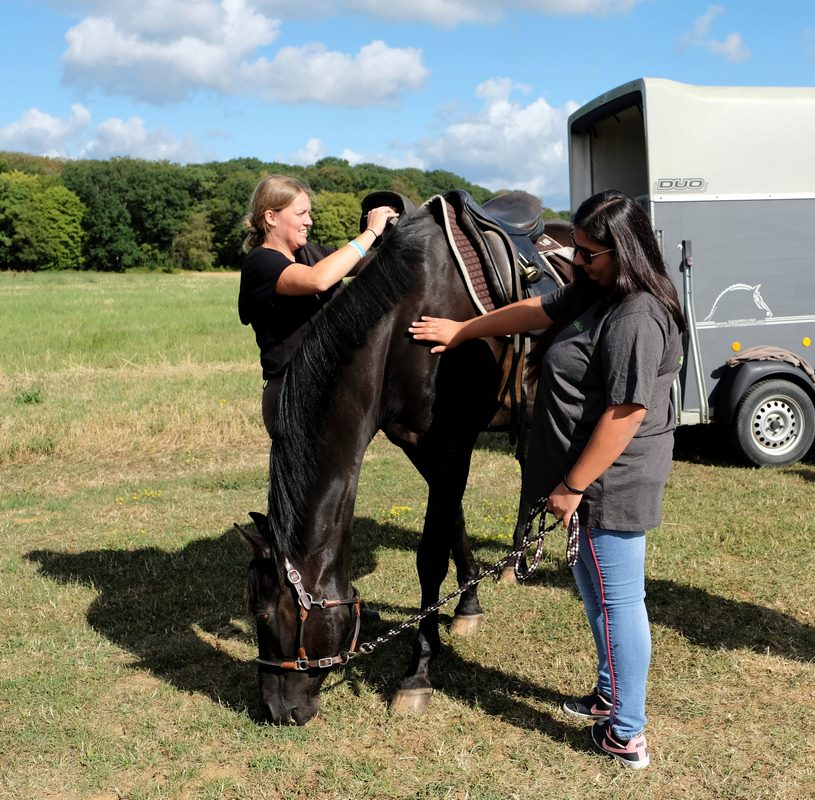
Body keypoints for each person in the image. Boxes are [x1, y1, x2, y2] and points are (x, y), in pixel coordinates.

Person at [409, 190, 684, 769]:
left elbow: (625, 412)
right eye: (577, 250)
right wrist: (463, 330)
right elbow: (535, 314)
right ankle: (610, 697)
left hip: (611, 480)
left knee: (618, 602)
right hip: (583, 475)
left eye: (589, 253)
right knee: (595, 591)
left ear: (626, 251)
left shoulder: (636, 314)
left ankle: (627, 734)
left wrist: (574, 485)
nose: (576, 261)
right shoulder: (594, 291)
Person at [238, 175, 398, 436]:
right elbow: (319, 280)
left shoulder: (312, 253)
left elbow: (358, 264)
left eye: (309, 213)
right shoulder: (261, 263)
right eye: (301, 213)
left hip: (332, 386)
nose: (309, 221)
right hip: (293, 393)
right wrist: (370, 232)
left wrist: (392, 239)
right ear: (271, 217)